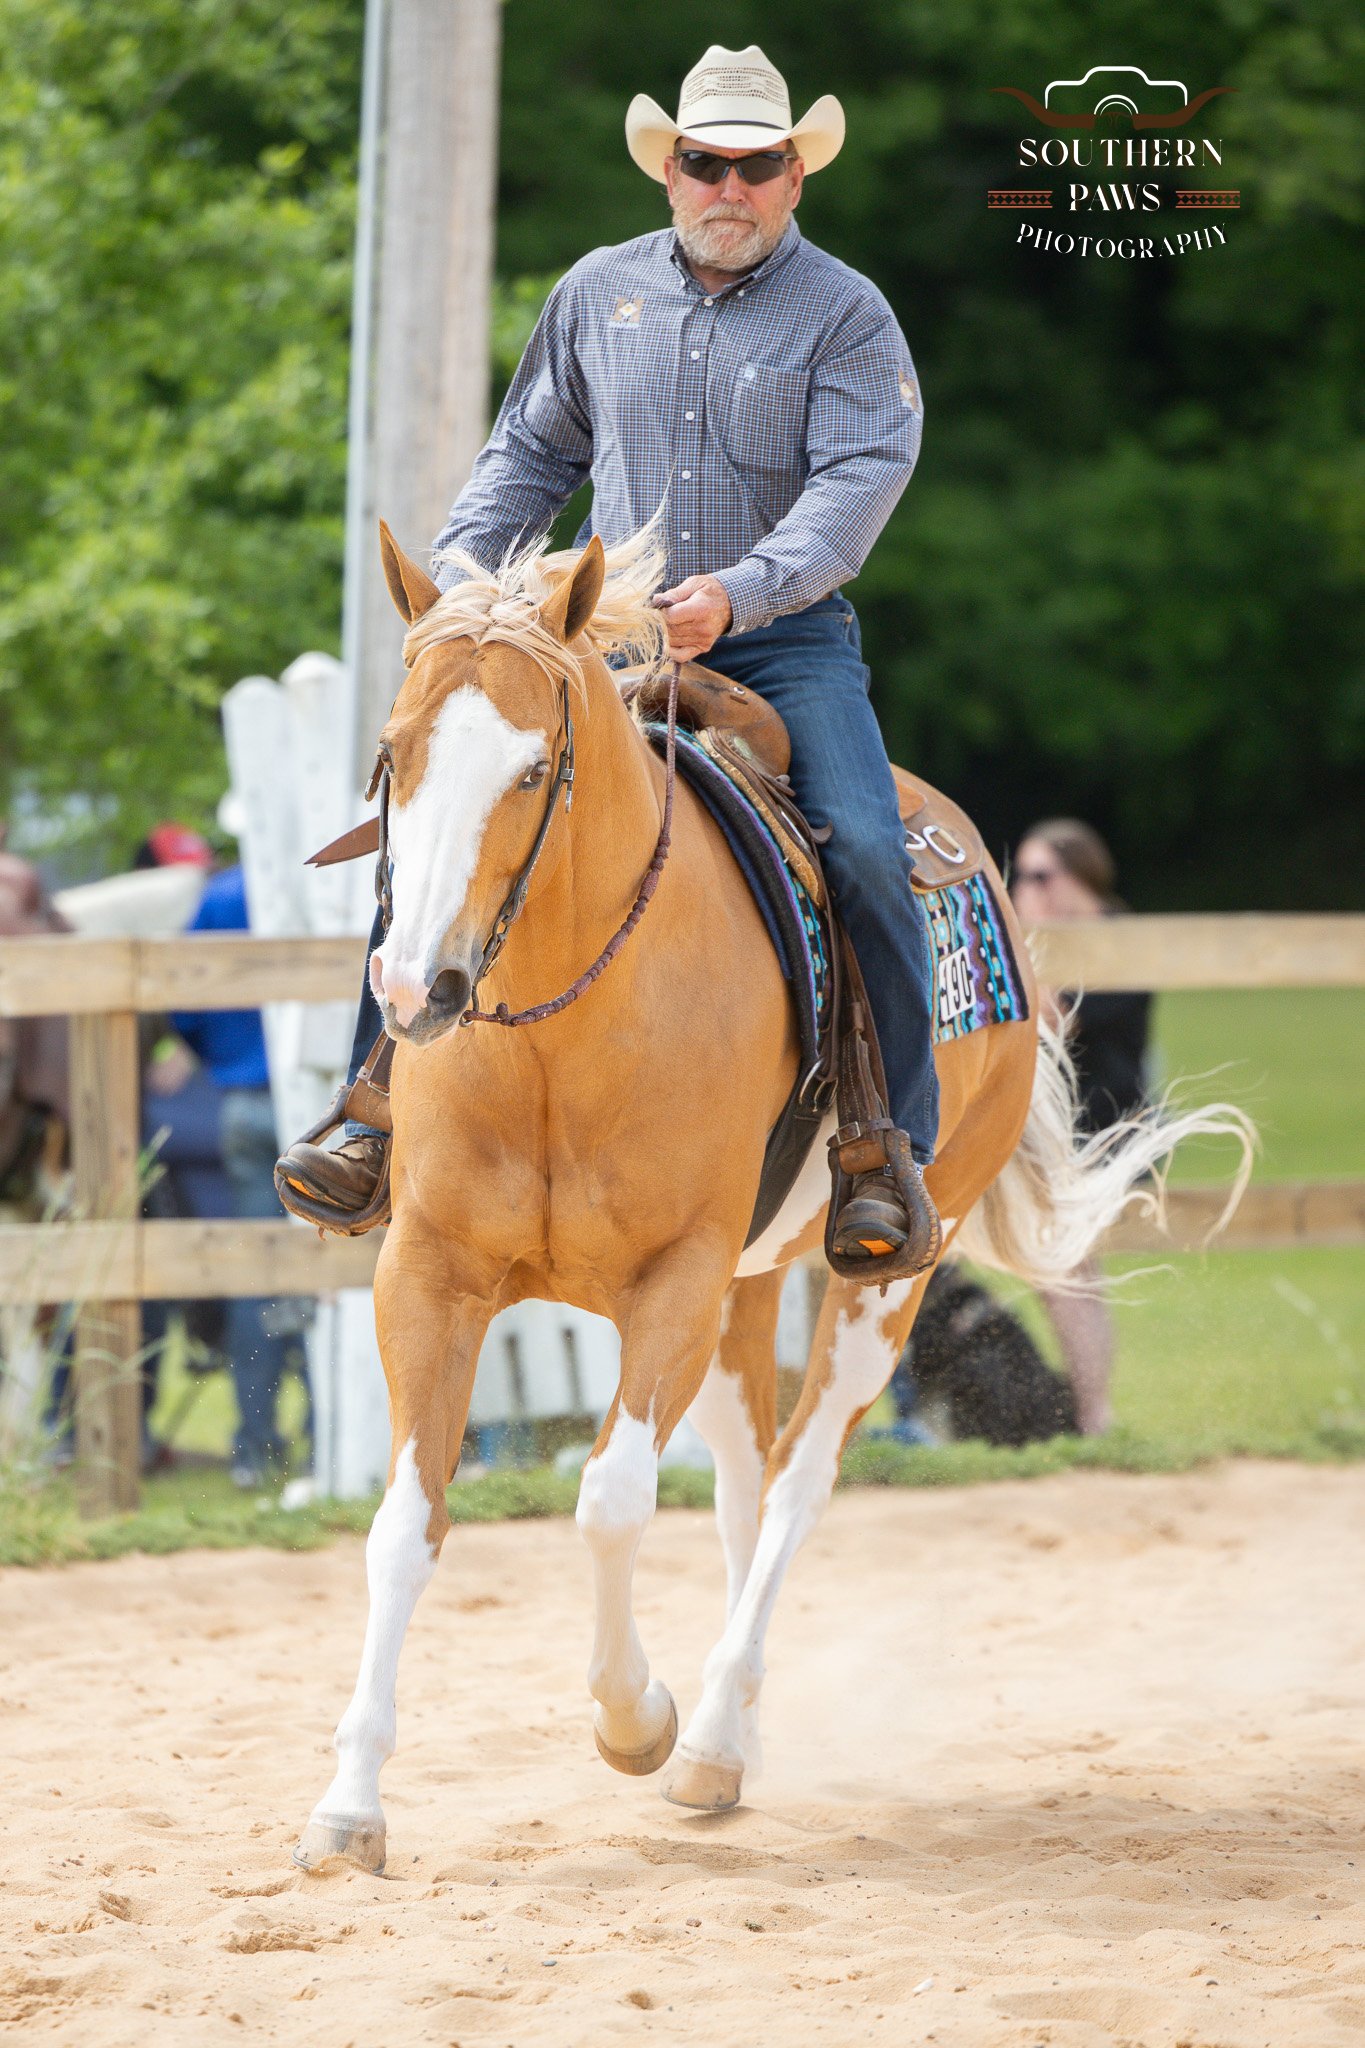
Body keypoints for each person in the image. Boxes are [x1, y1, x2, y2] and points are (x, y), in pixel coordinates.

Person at [278, 42, 941, 1272]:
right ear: (669, 172)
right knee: (429, 816)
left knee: (862, 849)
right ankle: (371, 1110)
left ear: (796, 175)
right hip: (592, 637)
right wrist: (465, 592)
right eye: (705, 163)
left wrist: (741, 593)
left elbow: (860, 480)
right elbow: (529, 452)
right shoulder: (597, 292)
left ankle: (881, 1147)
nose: (727, 188)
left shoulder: (848, 313)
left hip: (783, 643)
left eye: (755, 165)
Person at [1010, 817, 1152, 1434]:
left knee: (1068, 1272)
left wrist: (1018, 947)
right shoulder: (1055, 945)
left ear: (1078, 875)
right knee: (1065, 1271)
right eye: (1020, 876)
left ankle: (1094, 1415)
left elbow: (1053, 1020)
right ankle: (1087, 1414)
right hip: (1060, 1135)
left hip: (1109, 1132)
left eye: (1041, 876)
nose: (1027, 888)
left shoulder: (1114, 942)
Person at [172, 858, 311, 1486]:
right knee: (328, 1265)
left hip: (244, 1103)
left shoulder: (219, 897)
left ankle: (253, 1448)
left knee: (259, 1274)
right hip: (318, 1102)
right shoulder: (320, 880)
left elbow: (182, 1009)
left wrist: (222, 1062)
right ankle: (328, 1433)